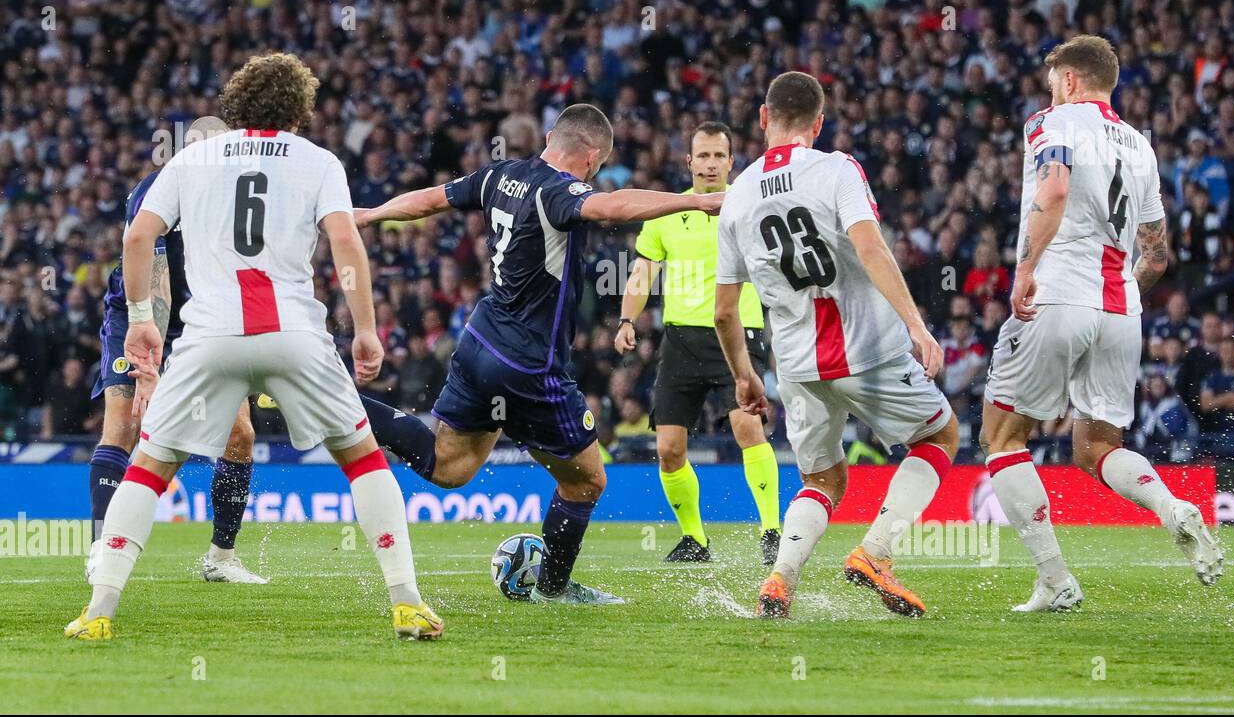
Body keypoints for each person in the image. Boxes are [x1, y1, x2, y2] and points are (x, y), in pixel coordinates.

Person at [65, 53, 440, 642]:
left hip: (209, 336)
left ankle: (99, 612)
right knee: (364, 459)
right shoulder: (319, 162)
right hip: (294, 334)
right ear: (300, 108)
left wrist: (141, 319)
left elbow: (138, 235)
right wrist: (366, 327)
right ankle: (408, 603)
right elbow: (346, 243)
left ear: (236, 102)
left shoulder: (192, 157)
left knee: (149, 468)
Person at [353, 103, 723, 604]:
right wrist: (699, 204)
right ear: (591, 159)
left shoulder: (500, 174)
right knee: (587, 481)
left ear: (551, 135)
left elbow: (431, 200)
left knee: (448, 467)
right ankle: (553, 588)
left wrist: (373, 214)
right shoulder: (561, 191)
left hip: (480, 340)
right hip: (529, 363)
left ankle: (340, 402)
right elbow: (612, 207)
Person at [981, 35, 1223, 613]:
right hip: (1120, 308)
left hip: (1056, 293)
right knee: (1095, 447)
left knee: (1001, 436)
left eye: (1051, 80)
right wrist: (1111, 303)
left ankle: (1056, 579)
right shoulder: (1142, 147)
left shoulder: (1053, 121)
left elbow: (1056, 187)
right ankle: (1173, 508)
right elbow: (1158, 254)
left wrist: (1026, 270)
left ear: (1068, 80)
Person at [713, 71, 958, 619]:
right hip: (868, 349)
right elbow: (869, 246)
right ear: (819, 123)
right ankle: (875, 552)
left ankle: (779, 578)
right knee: (941, 434)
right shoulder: (837, 168)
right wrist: (917, 326)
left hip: (797, 363)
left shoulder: (737, 195)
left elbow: (724, 310)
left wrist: (744, 376)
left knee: (823, 479)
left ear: (762, 118)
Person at [86, 160, 263, 585]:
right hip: (138, 310)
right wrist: (148, 367)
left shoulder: (243, 193)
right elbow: (155, 279)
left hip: (205, 317)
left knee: (240, 435)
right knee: (125, 425)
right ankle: (101, 549)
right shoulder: (161, 189)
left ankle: (221, 559)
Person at [615, 121, 781, 565]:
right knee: (668, 449)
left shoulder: (748, 206)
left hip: (737, 334)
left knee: (748, 428)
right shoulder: (668, 211)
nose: (710, 163)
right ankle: (695, 540)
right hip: (680, 340)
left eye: (718, 156)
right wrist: (627, 319)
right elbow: (643, 272)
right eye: (702, 156)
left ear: (731, 162)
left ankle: (772, 531)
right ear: (689, 162)